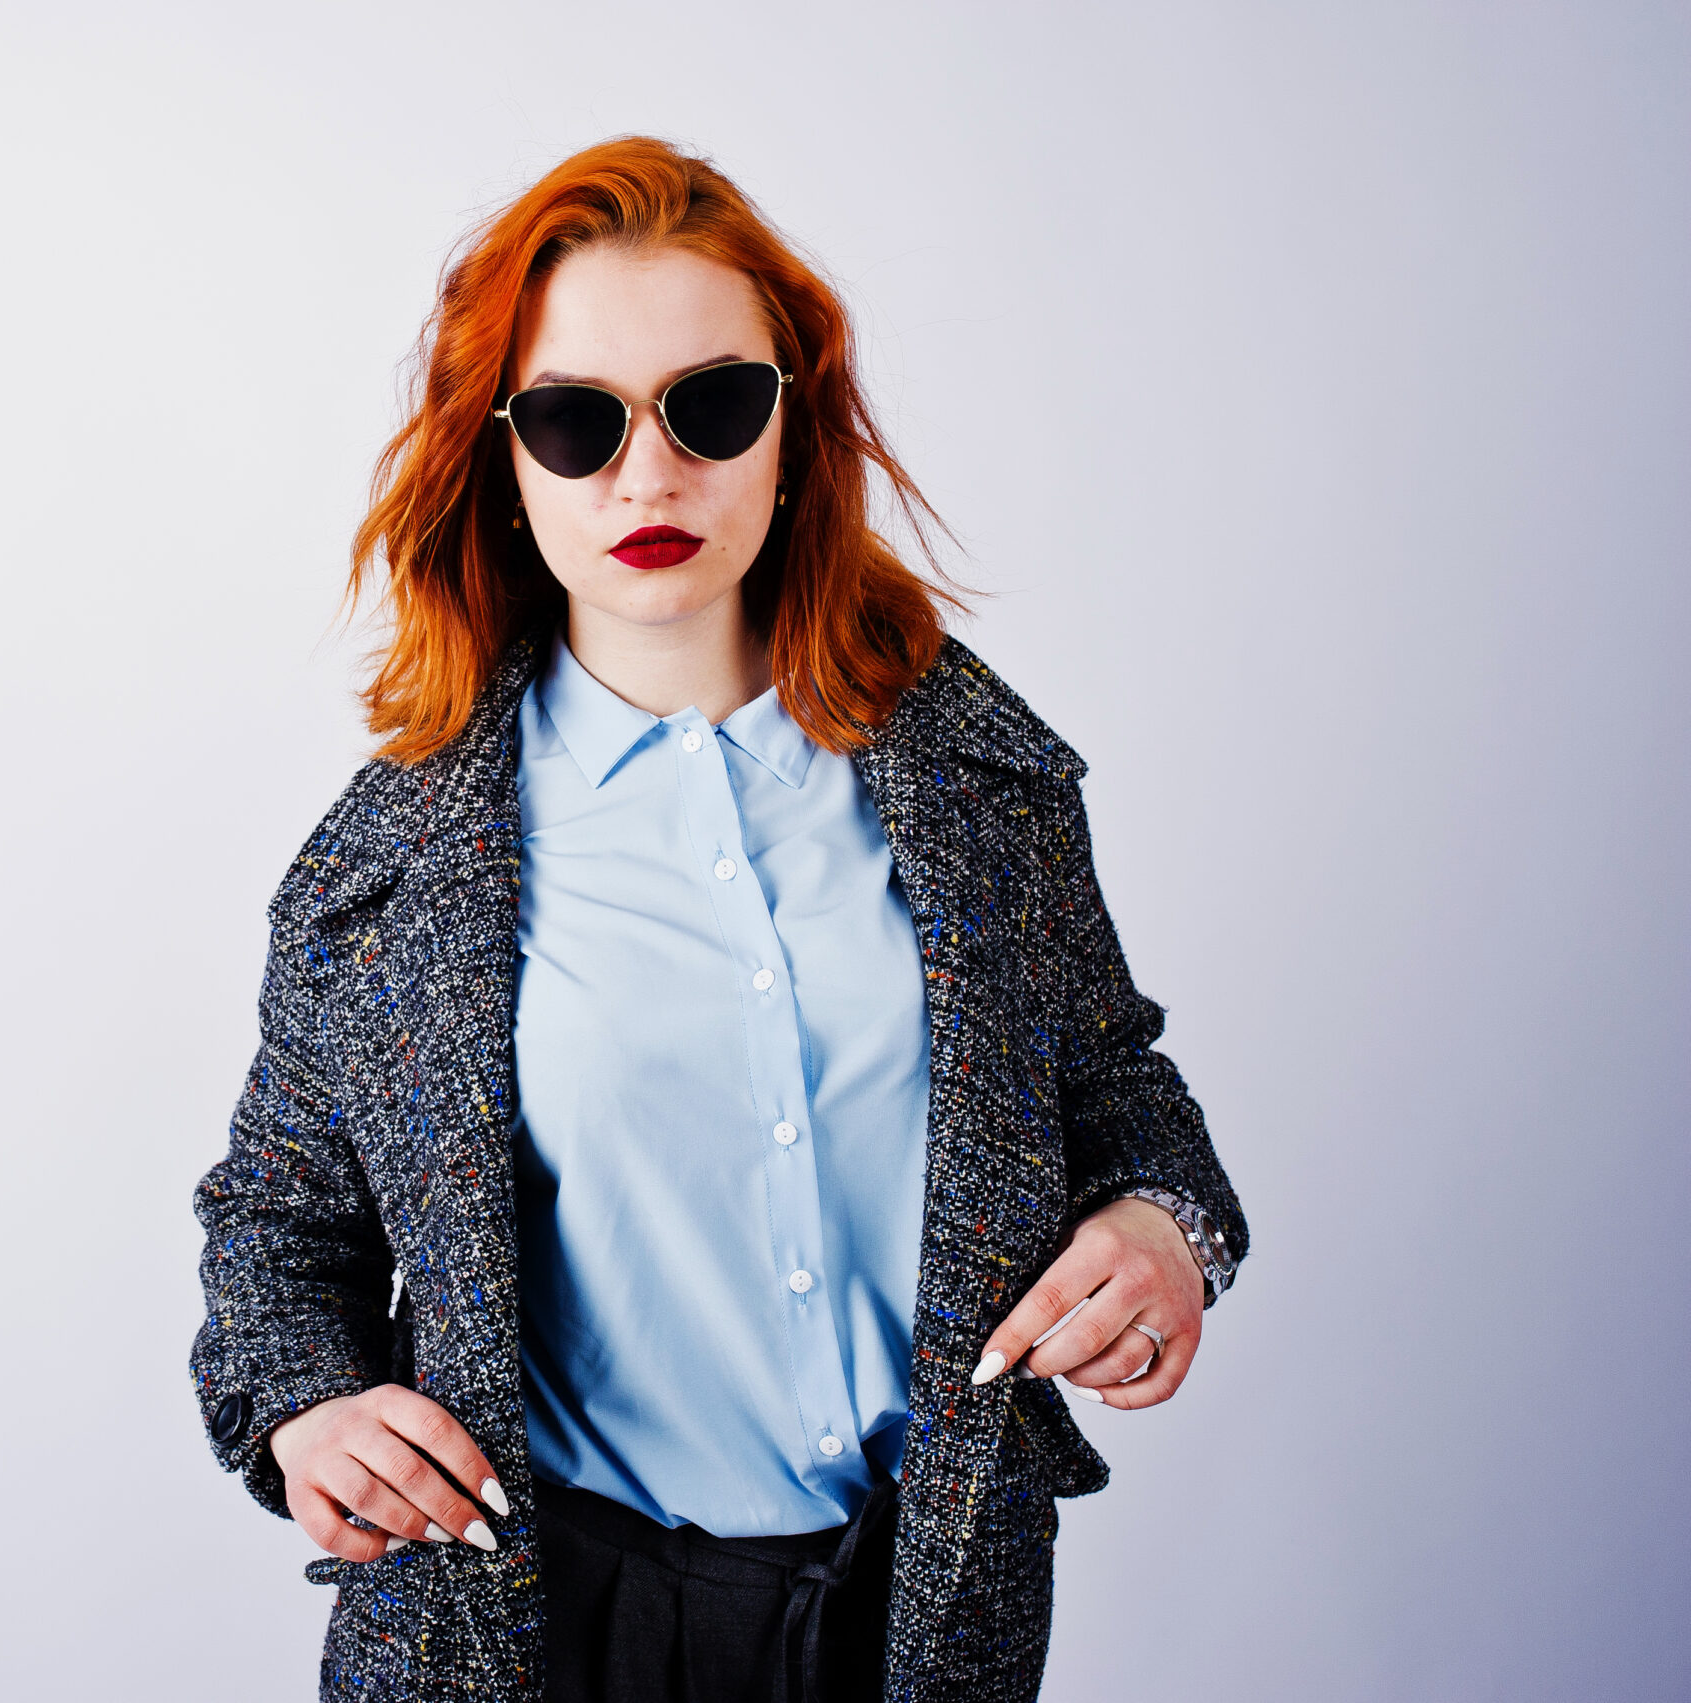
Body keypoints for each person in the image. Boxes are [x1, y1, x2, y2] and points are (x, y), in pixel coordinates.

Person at [189, 136, 1247, 1703]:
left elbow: (1118, 1090)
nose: (649, 473)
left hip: (918, 1615)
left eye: (713, 405)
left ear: (791, 429)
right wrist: (305, 1411)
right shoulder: (388, 869)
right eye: (575, 420)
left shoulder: (981, 780)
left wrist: (1168, 1235)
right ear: (500, 455)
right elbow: (275, 1231)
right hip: (531, 1629)